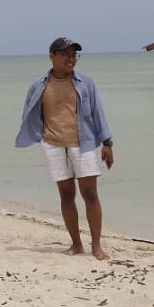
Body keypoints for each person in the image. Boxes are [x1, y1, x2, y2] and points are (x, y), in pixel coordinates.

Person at [15, 36, 114, 260]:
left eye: (74, 54)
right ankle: (76, 244)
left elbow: (99, 113)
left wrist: (107, 142)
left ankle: (96, 246)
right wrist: (39, 136)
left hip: (84, 143)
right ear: (52, 56)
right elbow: (30, 114)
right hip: (53, 145)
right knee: (66, 194)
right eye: (65, 54)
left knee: (90, 193)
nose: (71, 58)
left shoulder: (85, 83)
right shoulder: (38, 85)